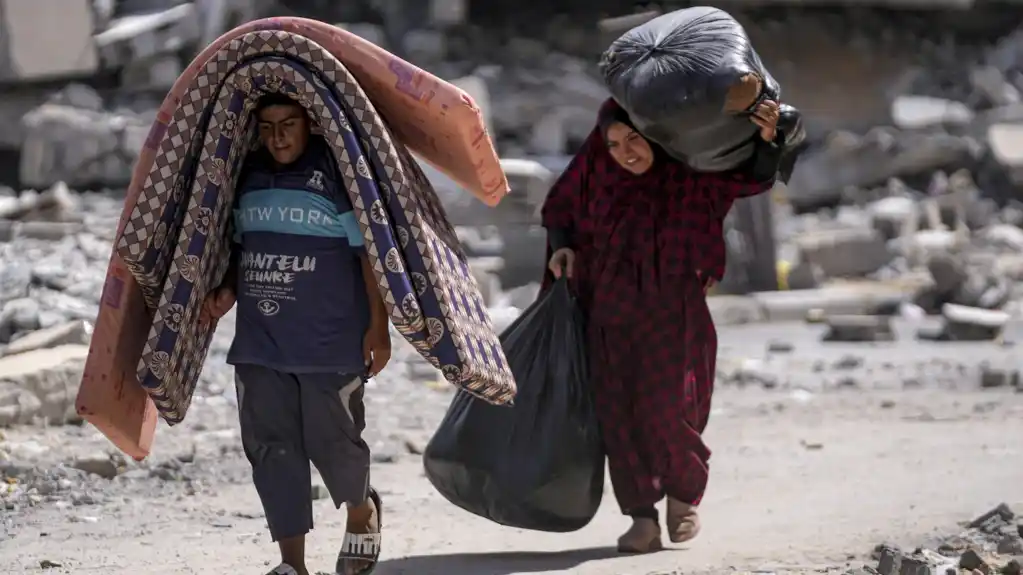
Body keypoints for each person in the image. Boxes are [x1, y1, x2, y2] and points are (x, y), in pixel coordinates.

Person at [541, 94, 783, 553]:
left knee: (669, 407)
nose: (625, 151)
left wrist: (767, 140)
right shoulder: (595, 174)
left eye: (634, 138)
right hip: (607, 313)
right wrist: (562, 246)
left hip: (674, 311)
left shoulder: (689, 178)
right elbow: (559, 211)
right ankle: (642, 518)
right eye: (613, 144)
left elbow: (747, 178)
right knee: (618, 416)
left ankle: (681, 493)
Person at [199, 93, 392, 575]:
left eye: (288, 123)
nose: (278, 136)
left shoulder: (337, 176)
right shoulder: (248, 177)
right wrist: (227, 290)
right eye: (267, 126)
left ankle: (362, 513)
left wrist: (378, 326)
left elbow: (368, 255)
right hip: (261, 342)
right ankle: (292, 565)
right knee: (271, 448)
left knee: (335, 443)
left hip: (329, 341)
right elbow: (242, 248)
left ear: (311, 125)